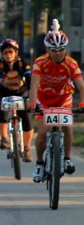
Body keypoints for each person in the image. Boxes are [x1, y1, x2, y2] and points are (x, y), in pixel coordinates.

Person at [28, 20, 84, 182]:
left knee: (67, 127)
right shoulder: (40, 62)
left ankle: (67, 159)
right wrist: (32, 103)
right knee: (43, 133)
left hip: (63, 98)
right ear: (47, 50)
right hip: (43, 99)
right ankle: (39, 163)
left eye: (61, 49)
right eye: (54, 50)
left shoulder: (71, 63)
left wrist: (82, 102)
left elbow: (81, 85)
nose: (58, 53)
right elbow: (34, 85)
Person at [0, 39, 33, 161]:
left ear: (15, 52)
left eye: (10, 52)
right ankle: (4, 139)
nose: (8, 55)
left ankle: (27, 148)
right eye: (5, 52)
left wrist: (31, 94)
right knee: (1, 113)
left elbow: (29, 77)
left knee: (26, 119)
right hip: (4, 93)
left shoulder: (22, 63)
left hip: (21, 93)